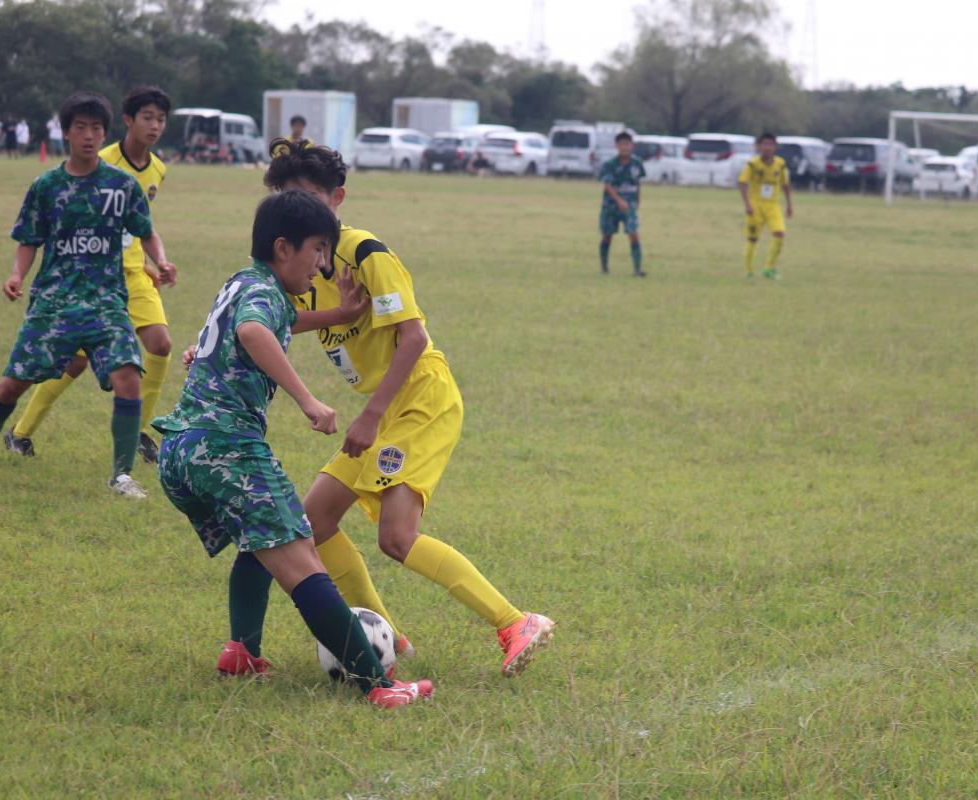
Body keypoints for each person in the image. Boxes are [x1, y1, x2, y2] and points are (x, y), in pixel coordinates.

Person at [261, 139, 556, 677]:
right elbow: (280, 318)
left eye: (307, 197)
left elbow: (414, 338)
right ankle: (387, 634)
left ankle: (516, 621)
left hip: (420, 398)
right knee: (315, 521)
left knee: (396, 537)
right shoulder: (302, 260)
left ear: (337, 198)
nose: (296, 210)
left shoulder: (365, 253)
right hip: (384, 406)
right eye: (286, 199)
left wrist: (370, 416)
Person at [153, 190, 433, 708]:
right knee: (300, 552)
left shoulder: (244, 281)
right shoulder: (262, 297)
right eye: (317, 250)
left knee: (260, 540)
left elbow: (279, 319)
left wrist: (338, 312)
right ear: (284, 248)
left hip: (181, 448)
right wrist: (308, 400)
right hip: (226, 447)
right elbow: (254, 329)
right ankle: (379, 686)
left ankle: (241, 652)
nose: (322, 264)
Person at [0, 91, 175, 498]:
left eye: (96, 128)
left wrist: (160, 260)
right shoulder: (47, 186)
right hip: (54, 302)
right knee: (11, 384)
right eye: (80, 127)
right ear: (66, 133)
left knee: (128, 377)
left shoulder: (121, 185)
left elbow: (146, 231)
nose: (89, 136)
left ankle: (121, 475)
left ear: (104, 132)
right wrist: (16, 274)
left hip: (106, 301)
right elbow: (29, 239)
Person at [738, 132, 794, 280]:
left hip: (773, 206)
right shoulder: (752, 164)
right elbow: (742, 183)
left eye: (770, 144)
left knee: (780, 234)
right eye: (764, 144)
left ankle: (768, 268)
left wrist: (789, 205)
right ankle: (749, 271)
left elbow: (785, 184)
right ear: (758, 146)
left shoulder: (780, 164)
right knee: (752, 239)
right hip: (755, 206)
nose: (767, 147)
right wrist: (747, 204)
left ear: (775, 146)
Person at [598, 131, 646, 277]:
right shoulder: (610, 165)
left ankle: (637, 269)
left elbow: (637, 182)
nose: (624, 147)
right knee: (607, 235)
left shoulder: (637, 163)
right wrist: (619, 201)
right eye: (621, 144)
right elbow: (608, 185)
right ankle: (604, 268)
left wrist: (638, 200)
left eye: (627, 144)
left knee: (633, 233)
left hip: (629, 206)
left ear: (632, 146)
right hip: (611, 206)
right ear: (617, 146)